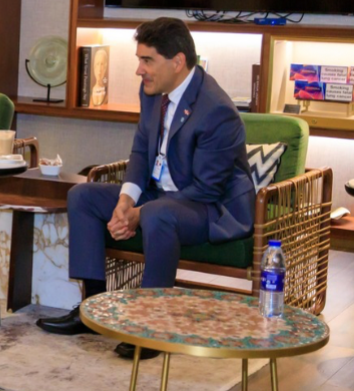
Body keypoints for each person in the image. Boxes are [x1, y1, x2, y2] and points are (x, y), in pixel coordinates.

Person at [37, 18, 253, 359]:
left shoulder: (217, 111)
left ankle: (152, 325)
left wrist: (140, 213)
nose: (139, 70)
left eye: (147, 60)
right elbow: (140, 151)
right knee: (83, 195)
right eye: (139, 60)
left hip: (209, 207)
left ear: (177, 62)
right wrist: (126, 200)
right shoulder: (152, 92)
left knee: (157, 215)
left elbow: (207, 188)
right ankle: (93, 309)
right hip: (160, 195)